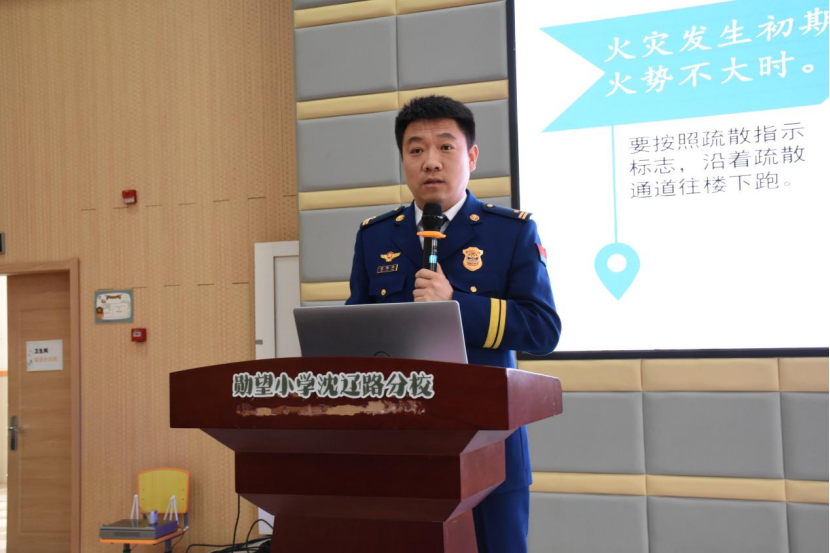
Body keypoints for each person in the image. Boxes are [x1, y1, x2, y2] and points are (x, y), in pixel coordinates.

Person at [346, 95, 561, 552]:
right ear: (403, 159)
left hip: (489, 446)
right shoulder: (375, 237)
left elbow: (543, 328)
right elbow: (354, 334)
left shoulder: (510, 232)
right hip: (401, 448)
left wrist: (456, 305)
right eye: (416, 149)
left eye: (446, 147)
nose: (431, 161)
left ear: (472, 156)